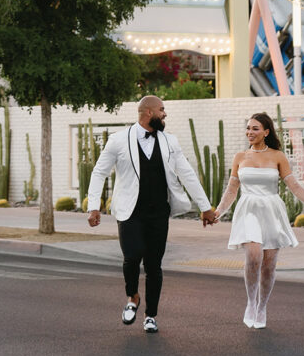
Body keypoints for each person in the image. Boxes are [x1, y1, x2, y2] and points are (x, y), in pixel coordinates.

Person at [87, 95, 215, 334]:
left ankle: (150, 315)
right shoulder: (118, 140)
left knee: (154, 265)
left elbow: (187, 174)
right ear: (148, 112)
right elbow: (98, 172)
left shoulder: (170, 142)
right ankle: (133, 296)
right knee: (132, 256)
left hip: (158, 211)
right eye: (161, 110)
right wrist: (94, 206)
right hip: (130, 211)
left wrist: (205, 207)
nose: (164, 114)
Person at [206, 112, 304, 329]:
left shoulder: (278, 156)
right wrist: (219, 212)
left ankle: (262, 306)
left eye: (255, 128)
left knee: (269, 266)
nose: (249, 132)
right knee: (253, 257)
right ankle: (251, 302)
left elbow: (294, 186)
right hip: (249, 210)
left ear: (266, 132)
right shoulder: (240, 157)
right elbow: (232, 190)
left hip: (272, 211)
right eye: (248, 128)